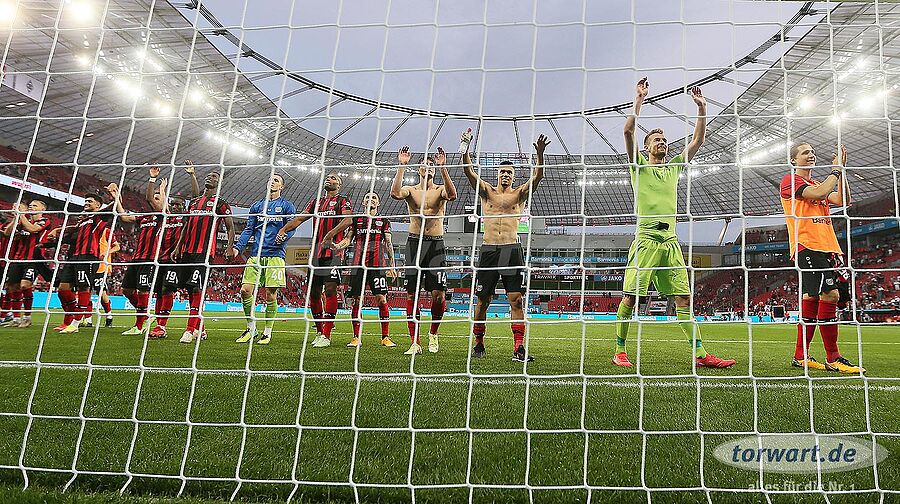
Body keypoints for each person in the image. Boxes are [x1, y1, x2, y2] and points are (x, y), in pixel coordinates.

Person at [614, 77, 735, 369]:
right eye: (657, 140)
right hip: (646, 240)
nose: (663, 142)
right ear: (646, 148)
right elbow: (628, 130)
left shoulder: (674, 168)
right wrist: (639, 99)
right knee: (630, 298)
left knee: (683, 298)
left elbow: (698, 141)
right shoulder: (638, 167)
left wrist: (702, 109)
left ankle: (701, 355)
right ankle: (619, 351)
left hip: (670, 242)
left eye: (665, 140)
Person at [463, 133, 549, 362]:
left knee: (517, 300)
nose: (505, 175)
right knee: (483, 300)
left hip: (512, 250)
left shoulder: (519, 194)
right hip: (489, 250)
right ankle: (479, 343)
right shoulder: (486, 192)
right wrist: (465, 149)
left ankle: (518, 348)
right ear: (497, 174)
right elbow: (469, 172)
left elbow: (538, 177)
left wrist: (540, 155)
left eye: (509, 172)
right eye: (502, 171)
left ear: (513, 176)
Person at [781, 143, 863, 374]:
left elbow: (843, 199)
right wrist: (835, 170)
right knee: (831, 294)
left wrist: (841, 171)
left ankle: (801, 356)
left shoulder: (819, 183)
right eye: (805, 152)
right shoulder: (790, 180)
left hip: (826, 247)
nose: (811, 155)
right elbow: (818, 195)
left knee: (812, 297)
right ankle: (833, 358)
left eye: (813, 152)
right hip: (807, 245)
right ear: (793, 160)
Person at [390, 145, 457, 355]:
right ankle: (415, 342)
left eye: (431, 165)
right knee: (412, 294)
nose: (428, 167)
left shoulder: (439, 190)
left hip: (436, 244)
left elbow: (452, 195)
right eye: (424, 165)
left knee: (438, 296)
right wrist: (402, 166)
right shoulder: (411, 191)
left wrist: (443, 167)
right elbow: (395, 193)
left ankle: (433, 333)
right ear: (419, 169)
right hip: (414, 243)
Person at [276, 172, 352, 348]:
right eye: (328, 177)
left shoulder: (343, 201)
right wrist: (283, 229)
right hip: (315, 254)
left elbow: (348, 220)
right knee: (314, 293)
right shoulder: (316, 202)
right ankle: (319, 331)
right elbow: (300, 219)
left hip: (333, 253)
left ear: (339, 185)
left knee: (331, 290)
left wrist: (330, 234)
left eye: (334, 178)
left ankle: (326, 335)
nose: (329, 179)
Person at [229, 173, 296, 345]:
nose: (272, 182)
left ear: (281, 186)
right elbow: (248, 230)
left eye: (276, 180)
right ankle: (251, 329)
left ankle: (267, 332)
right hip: (255, 256)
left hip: (275, 256)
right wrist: (237, 248)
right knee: (245, 291)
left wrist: (284, 237)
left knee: (270, 295)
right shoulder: (256, 206)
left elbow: (292, 227)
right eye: (271, 179)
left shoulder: (287, 206)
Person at [323, 192, 397, 348]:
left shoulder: (383, 221)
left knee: (381, 299)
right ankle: (356, 337)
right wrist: (337, 246)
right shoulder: (356, 220)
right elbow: (348, 239)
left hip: (377, 266)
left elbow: (388, 243)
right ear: (363, 202)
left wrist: (392, 264)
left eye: (374, 198)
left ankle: (385, 337)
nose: (371, 200)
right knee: (357, 300)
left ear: (378, 203)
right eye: (367, 197)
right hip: (358, 266)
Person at [172, 160, 235, 344]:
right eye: (208, 175)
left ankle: (189, 330)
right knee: (189, 289)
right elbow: (186, 226)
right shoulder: (193, 203)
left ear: (219, 183)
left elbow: (230, 227)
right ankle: (201, 328)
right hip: (187, 251)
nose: (210, 177)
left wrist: (229, 247)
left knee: (196, 287)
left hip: (204, 252)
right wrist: (178, 247)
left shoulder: (221, 203)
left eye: (214, 176)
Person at [106, 167, 166, 336]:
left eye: (158, 198)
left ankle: (139, 326)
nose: (153, 200)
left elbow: (151, 198)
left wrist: (155, 182)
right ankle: (146, 314)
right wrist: (116, 198)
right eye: (154, 198)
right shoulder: (144, 217)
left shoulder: (163, 216)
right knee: (126, 290)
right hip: (136, 258)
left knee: (143, 291)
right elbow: (124, 217)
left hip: (150, 259)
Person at [46, 193, 111, 333]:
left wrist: (115, 196)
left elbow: (112, 208)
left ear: (98, 205)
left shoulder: (99, 218)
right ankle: (73, 315)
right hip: (74, 257)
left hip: (88, 257)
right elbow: (74, 228)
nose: (86, 203)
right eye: (85, 201)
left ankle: (75, 324)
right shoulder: (84, 220)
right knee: (63, 289)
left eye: (90, 201)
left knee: (83, 288)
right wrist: (57, 230)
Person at [2, 200, 51, 328]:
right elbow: (7, 233)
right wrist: (16, 217)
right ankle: (16, 318)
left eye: (35, 205)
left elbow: (33, 229)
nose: (31, 207)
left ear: (43, 209)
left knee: (25, 285)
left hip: (33, 259)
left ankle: (27, 317)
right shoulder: (22, 221)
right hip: (18, 259)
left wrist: (22, 215)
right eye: (30, 205)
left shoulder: (44, 221)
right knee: (12, 287)